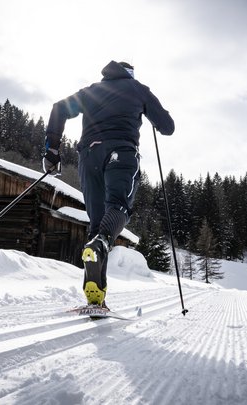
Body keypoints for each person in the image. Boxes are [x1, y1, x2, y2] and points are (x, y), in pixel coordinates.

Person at [43, 60, 174, 307]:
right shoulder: (137, 89)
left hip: (88, 156)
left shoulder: (91, 90)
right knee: (119, 206)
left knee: (97, 225)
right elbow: (168, 127)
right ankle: (102, 242)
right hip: (121, 152)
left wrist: (51, 149)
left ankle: (96, 298)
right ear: (130, 74)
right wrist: (154, 116)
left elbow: (59, 108)